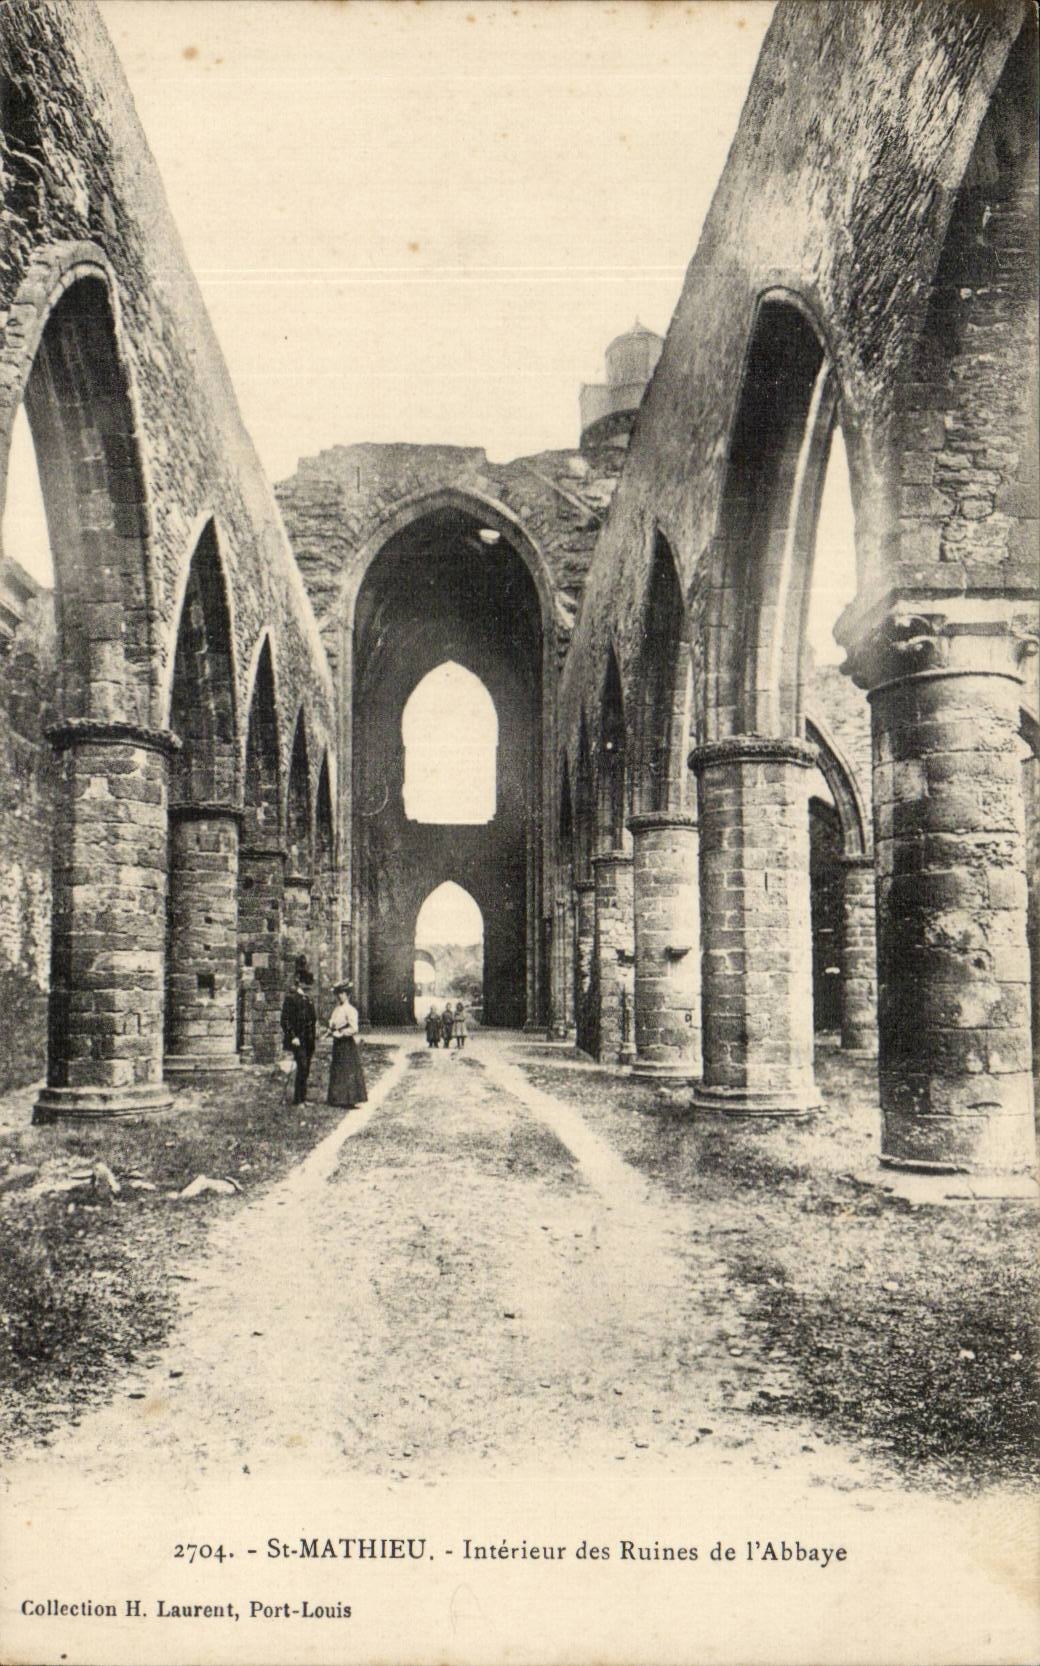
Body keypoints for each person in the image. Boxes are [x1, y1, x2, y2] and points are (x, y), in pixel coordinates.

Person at [326, 980, 368, 1108]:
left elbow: (354, 1028)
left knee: (348, 1069)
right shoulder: (337, 1009)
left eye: (343, 993)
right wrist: (330, 1030)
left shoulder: (351, 1010)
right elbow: (333, 1023)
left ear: (347, 995)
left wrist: (342, 1033)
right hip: (337, 1043)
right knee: (338, 1068)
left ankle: (350, 1099)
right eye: (338, 993)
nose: (340, 996)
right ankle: (337, 1098)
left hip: (346, 1043)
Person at [280, 970, 316, 1105]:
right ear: (300, 984)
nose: (308, 988)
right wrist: (293, 1036)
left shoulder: (308, 999)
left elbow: (312, 1019)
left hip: (309, 1040)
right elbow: (285, 1020)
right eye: (306, 985)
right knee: (302, 1065)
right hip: (298, 1040)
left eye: (309, 986)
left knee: (305, 1069)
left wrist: (313, 1035)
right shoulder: (291, 999)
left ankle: (303, 1098)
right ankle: (298, 1100)